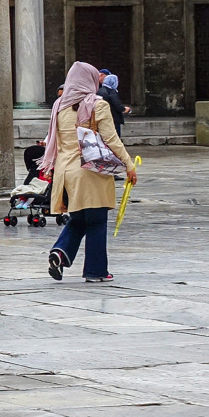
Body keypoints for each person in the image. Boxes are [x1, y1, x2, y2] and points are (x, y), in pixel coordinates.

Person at [45, 60, 137, 284]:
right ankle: (96, 270)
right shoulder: (97, 105)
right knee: (96, 220)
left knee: (79, 217)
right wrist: (129, 164)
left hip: (65, 171)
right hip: (90, 170)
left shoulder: (60, 105)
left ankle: (60, 252)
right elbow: (111, 138)